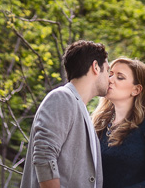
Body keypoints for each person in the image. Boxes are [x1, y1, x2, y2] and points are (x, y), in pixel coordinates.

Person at [21, 40, 110, 188]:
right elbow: (44, 155)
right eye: (107, 70)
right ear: (95, 67)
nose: (109, 77)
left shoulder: (81, 110)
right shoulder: (62, 97)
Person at [92, 58, 145, 188]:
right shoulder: (98, 124)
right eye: (110, 74)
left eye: (120, 77)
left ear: (136, 90)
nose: (110, 79)